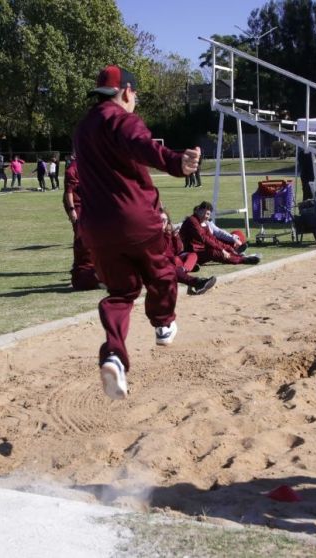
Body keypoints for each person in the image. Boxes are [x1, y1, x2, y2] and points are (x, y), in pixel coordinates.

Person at [73, 64, 201, 400]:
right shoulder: (121, 118)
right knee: (162, 272)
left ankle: (114, 355)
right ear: (126, 91)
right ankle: (162, 323)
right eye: (135, 94)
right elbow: (141, 143)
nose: (136, 100)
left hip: (96, 228)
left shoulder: (83, 127)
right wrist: (176, 162)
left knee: (120, 293)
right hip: (134, 217)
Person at [61, 154, 100, 291]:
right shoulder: (72, 169)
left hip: (87, 202)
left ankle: (87, 267)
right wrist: (72, 210)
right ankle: (80, 270)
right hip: (76, 204)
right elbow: (69, 192)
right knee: (80, 235)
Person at [179, 201, 260, 266]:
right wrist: (222, 250)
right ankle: (242, 259)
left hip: (202, 249)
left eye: (208, 215)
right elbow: (204, 238)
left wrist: (227, 248)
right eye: (206, 213)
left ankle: (237, 254)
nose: (207, 216)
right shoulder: (192, 221)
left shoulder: (205, 223)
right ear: (199, 211)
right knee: (214, 252)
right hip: (192, 252)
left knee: (221, 245)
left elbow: (213, 237)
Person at [160, 208, 216, 295]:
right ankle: (197, 282)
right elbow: (165, 253)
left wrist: (175, 237)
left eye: (164, 220)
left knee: (192, 255)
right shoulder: (154, 235)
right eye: (160, 220)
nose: (162, 222)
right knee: (172, 265)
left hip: (175, 259)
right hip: (163, 263)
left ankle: (184, 270)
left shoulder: (168, 232)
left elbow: (178, 250)